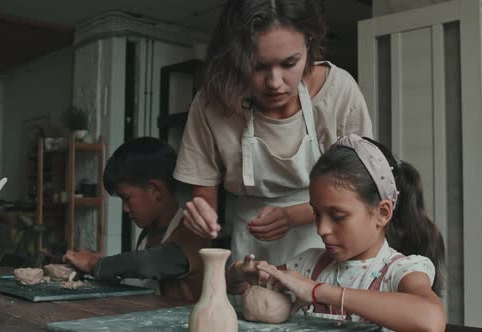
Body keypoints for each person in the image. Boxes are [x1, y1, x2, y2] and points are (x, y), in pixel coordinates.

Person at [174, 0, 373, 266]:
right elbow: (204, 188)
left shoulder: (338, 92)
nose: (275, 83)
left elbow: (359, 190)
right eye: (258, 66)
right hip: (251, 242)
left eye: (290, 63)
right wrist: (202, 212)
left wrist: (292, 216)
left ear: (309, 44)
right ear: (235, 56)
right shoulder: (213, 102)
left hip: (327, 238)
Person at [227, 134, 446, 332]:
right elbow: (240, 287)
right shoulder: (308, 265)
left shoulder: (400, 272)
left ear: (382, 212)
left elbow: (431, 319)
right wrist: (239, 275)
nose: (321, 229)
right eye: (317, 214)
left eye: (338, 216)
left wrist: (316, 291)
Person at [63, 137, 209, 303]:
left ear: (156, 191)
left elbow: (149, 263)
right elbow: (137, 276)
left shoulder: (193, 232)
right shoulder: (149, 233)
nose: (125, 209)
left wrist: (94, 264)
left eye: (127, 198)